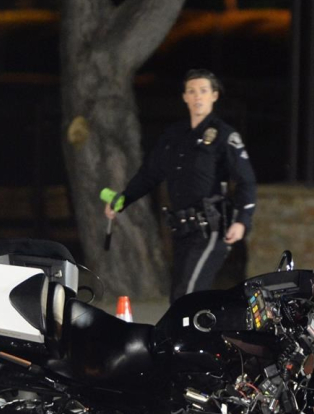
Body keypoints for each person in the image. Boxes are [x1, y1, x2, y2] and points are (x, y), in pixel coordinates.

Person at [105, 68, 257, 303]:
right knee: (179, 297)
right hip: (183, 229)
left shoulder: (224, 136)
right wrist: (122, 200)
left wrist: (242, 221)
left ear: (214, 96)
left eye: (204, 91)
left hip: (212, 230)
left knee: (188, 296)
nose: (198, 96)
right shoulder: (174, 136)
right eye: (192, 91)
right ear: (185, 96)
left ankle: (193, 338)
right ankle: (196, 338)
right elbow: (149, 175)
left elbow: (246, 180)